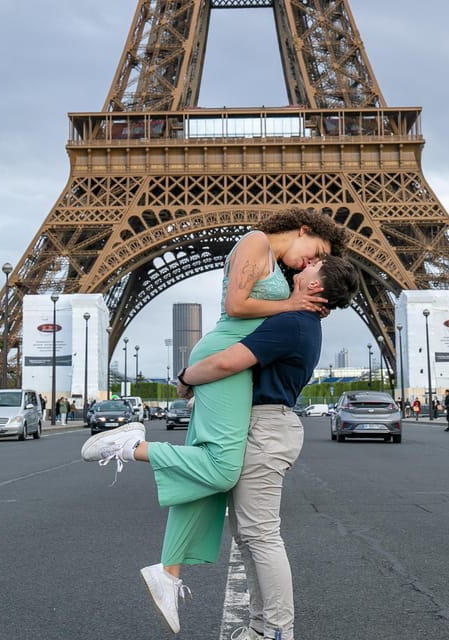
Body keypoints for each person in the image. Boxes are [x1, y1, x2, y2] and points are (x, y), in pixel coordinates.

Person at [83, 208, 346, 632]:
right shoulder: (259, 243)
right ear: (304, 229)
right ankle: (129, 446)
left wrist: (304, 302)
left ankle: (170, 573)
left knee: (210, 479)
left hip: (242, 388)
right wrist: (294, 301)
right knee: (223, 477)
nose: (307, 262)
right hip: (228, 367)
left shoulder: (290, 297)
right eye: (315, 252)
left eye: (315, 265)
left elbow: (258, 314)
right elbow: (236, 304)